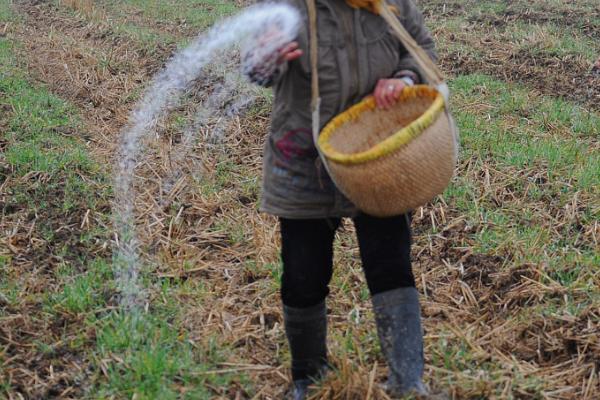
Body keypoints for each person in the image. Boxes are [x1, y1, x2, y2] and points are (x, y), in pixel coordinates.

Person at [244, 0, 437, 398]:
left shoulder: (390, 4)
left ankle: (407, 381)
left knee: (390, 263)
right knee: (303, 273)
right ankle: (308, 380)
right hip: (303, 158)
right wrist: (267, 58)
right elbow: (255, 69)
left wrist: (404, 78)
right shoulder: (285, 6)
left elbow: (420, 49)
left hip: (378, 154)